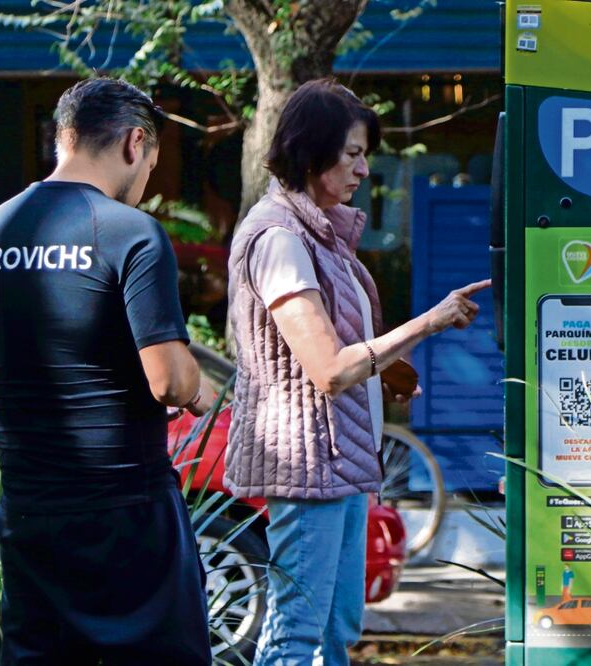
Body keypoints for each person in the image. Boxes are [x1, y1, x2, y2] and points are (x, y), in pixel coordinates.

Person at [225, 78, 491, 666]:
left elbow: (342, 349)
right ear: (309, 151)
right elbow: (327, 369)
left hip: (339, 459)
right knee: (298, 634)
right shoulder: (279, 238)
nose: (364, 170)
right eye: (352, 154)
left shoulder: (320, 235)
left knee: (334, 631)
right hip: (306, 462)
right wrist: (429, 322)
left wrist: (385, 368)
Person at [0, 78, 214, 665]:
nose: (146, 181)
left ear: (66, 137)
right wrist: (203, 391)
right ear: (136, 144)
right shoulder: (131, 232)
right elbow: (169, 381)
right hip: (124, 509)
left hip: (28, 507)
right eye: (151, 164)